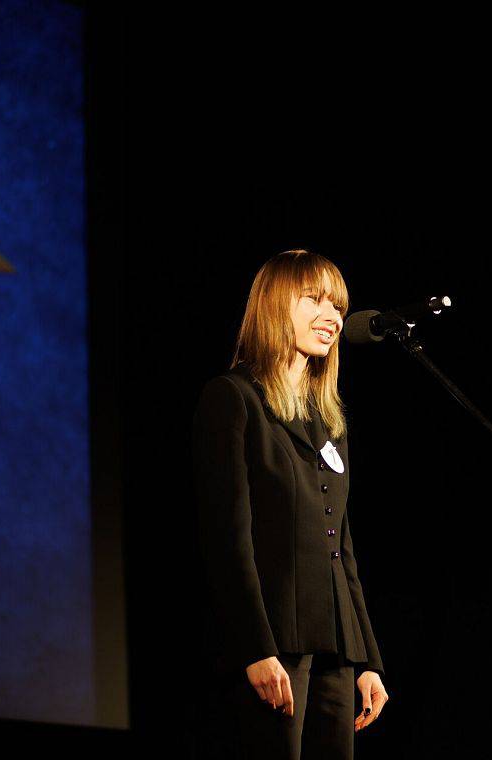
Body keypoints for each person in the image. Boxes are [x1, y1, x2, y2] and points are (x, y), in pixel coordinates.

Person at [191, 249, 390, 758]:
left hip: (336, 647)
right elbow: (228, 541)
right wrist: (254, 648)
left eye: (338, 306)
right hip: (274, 645)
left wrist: (367, 659)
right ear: (277, 304)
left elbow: (342, 548)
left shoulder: (330, 422)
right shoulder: (233, 398)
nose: (332, 317)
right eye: (314, 300)